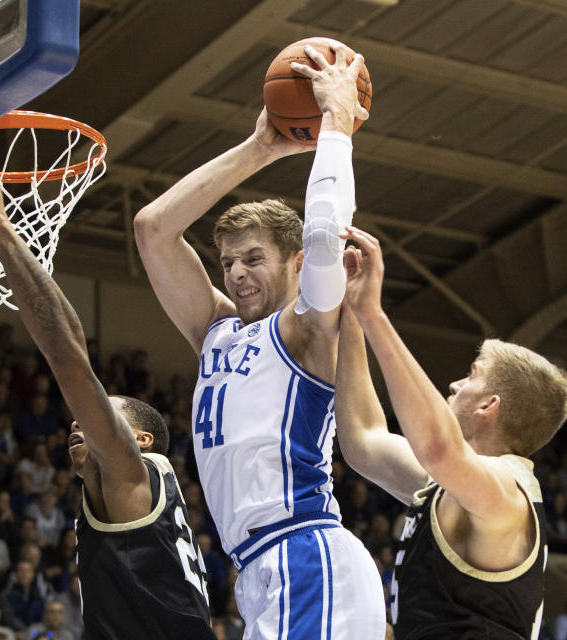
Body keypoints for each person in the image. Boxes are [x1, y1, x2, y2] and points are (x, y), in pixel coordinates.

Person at [132, 41, 384, 638]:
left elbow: (325, 236)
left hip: (307, 552)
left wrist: (337, 126)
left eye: (253, 258)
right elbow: (153, 229)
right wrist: (261, 147)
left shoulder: (306, 328)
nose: (237, 272)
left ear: (294, 265)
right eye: (227, 263)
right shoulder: (215, 331)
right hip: (256, 571)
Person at [0, 139, 213, 639]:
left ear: (139, 441)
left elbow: (65, 349)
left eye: (105, 415)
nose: (79, 420)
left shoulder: (132, 475)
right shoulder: (137, 502)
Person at [334, 225, 567, 639]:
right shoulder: (450, 487)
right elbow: (363, 438)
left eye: (471, 376)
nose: (455, 385)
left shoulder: (506, 496)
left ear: (488, 406)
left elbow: (439, 449)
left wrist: (374, 315)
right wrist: (352, 312)